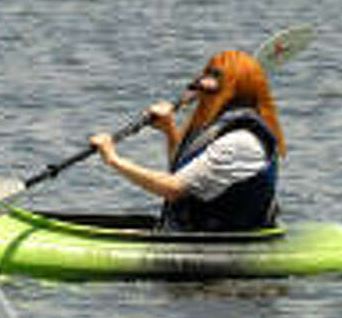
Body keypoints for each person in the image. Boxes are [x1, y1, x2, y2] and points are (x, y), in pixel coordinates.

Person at [90, 48, 286, 232]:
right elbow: (184, 172)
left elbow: (174, 188)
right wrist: (169, 130)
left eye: (215, 76)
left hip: (225, 240)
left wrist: (114, 159)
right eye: (207, 72)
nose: (202, 86)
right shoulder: (219, 130)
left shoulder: (240, 141)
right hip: (195, 230)